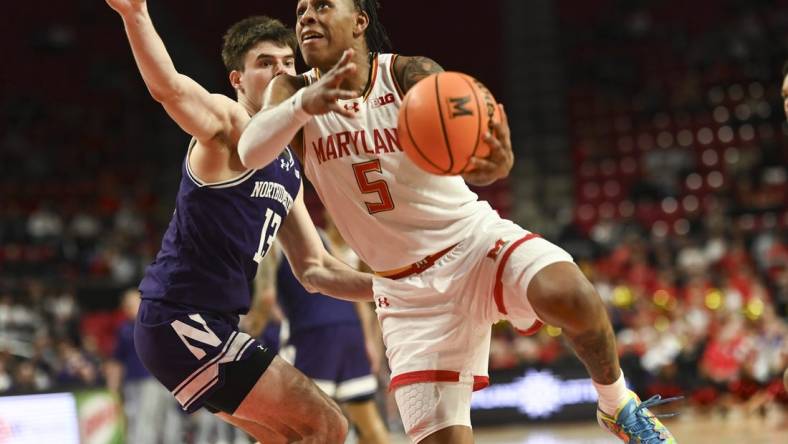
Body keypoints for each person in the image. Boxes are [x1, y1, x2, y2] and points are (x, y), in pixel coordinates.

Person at [237, 0, 679, 442]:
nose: (306, 17)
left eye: (322, 6)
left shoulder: (408, 73)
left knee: (570, 293)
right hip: (407, 293)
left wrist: (486, 164)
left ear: (359, 21)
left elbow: (470, 147)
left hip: (471, 242)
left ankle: (617, 404)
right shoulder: (289, 93)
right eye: (300, 10)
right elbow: (251, 151)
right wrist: (305, 104)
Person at [106, 0, 375, 441]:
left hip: (210, 323)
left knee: (291, 435)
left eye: (288, 62)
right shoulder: (230, 123)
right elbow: (170, 89)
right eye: (264, 64)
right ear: (238, 79)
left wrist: (393, 290)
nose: (280, 71)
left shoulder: (288, 166)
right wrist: (135, 14)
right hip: (181, 317)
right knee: (327, 423)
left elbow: (316, 270)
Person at [245, 216, 389, 444]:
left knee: (295, 426)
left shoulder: (268, 239)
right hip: (350, 330)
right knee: (369, 423)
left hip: (312, 335)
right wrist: (368, 341)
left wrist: (247, 330)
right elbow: (352, 288)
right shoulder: (319, 236)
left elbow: (266, 297)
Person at [106, 289, 184, 444]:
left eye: (131, 303)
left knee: (162, 417)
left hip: (156, 380)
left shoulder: (156, 322)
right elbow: (117, 359)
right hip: (134, 381)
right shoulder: (124, 329)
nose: (127, 307)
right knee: (139, 418)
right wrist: (113, 384)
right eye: (126, 304)